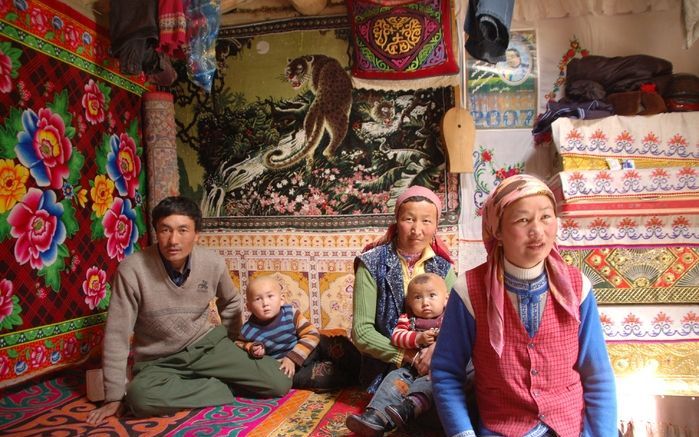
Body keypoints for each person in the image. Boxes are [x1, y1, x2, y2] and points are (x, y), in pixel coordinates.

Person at [431, 174, 617, 437]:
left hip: (571, 429)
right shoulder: (469, 291)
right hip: (502, 430)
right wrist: (463, 433)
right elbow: (446, 371)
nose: (538, 231)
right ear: (497, 229)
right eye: (522, 220)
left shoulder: (577, 288)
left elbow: (597, 376)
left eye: (546, 217)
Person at [86, 196, 292, 425]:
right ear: (156, 232)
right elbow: (117, 333)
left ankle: (206, 381)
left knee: (279, 381)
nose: (173, 240)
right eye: (165, 230)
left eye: (183, 230)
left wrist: (234, 341)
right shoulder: (132, 270)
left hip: (208, 347)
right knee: (138, 398)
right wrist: (114, 396)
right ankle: (221, 387)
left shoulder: (212, 262)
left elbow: (231, 301)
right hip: (160, 360)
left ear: (196, 234)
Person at [345, 185, 457, 435]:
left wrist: (435, 350)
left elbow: (456, 322)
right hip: (388, 365)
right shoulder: (371, 263)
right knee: (404, 389)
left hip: (435, 360)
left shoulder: (443, 268)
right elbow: (362, 333)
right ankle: (379, 418)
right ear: (397, 220)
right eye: (409, 219)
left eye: (426, 221)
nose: (417, 230)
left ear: (436, 224)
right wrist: (408, 356)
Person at [348, 273, 448, 436]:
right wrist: (417, 338)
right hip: (410, 369)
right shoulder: (408, 319)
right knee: (393, 380)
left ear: (446, 299)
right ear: (409, 302)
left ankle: (408, 409)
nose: (425, 303)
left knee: (429, 383)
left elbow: (459, 337)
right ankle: (374, 417)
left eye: (432, 296)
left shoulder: (450, 318)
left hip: (436, 370)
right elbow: (397, 337)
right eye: (417, 298)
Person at [237, 275, 360, 390]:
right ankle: (352, 378)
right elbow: (238, 344)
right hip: (289, 368)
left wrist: (293, 357)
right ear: (249, 307)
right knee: (321, 378)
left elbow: (312, 334)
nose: (265, 303)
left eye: (270, 296)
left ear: (282, 299)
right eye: (258, 299)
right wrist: (252, 347)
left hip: (308, 350)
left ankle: (360, 366)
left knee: (333, 343)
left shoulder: (290, 314)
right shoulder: (248, 329)